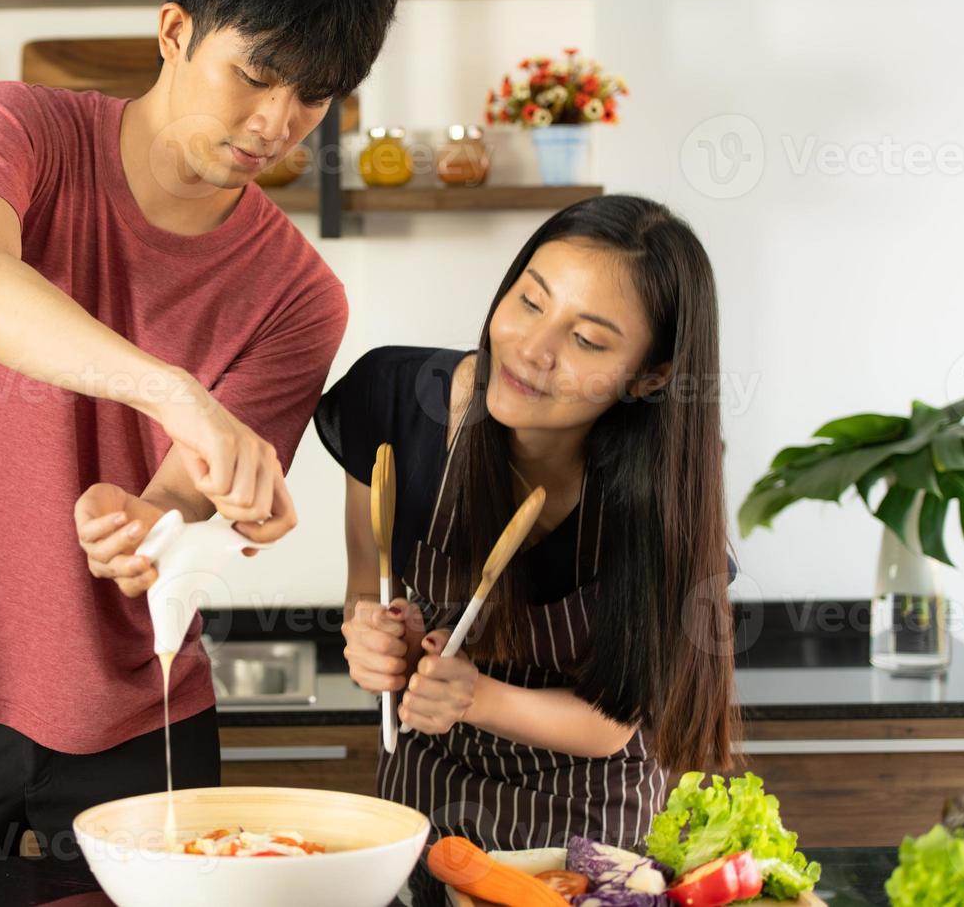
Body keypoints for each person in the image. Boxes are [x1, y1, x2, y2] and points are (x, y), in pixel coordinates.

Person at [0, 0, 398, 867]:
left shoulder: (300, 297)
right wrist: (175, 392)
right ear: (174, 30)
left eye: (314, 96)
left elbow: (176, 504)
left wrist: (140, 525)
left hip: (142, 725)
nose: (278, 123)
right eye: (255, 75)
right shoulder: (23, 131)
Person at [317, 194, 740, 905]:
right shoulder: (395, 407)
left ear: (651, 375)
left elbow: (612, 723)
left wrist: (476, 695)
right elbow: (368, 584)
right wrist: (376, 640)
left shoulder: (660, 499)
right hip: (428, 817)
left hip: (589, 839)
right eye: (530, 301)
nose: (533, 350)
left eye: (590, 341)